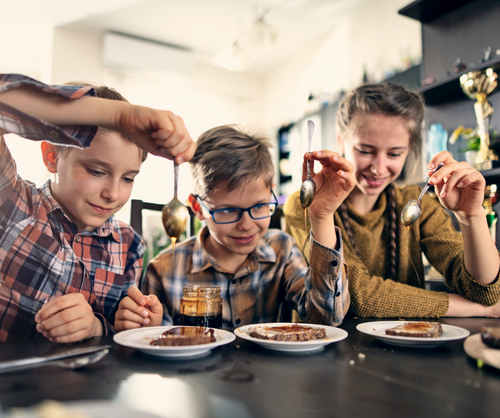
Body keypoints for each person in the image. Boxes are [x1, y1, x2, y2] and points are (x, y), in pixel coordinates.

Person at [0, 73, 196, 342]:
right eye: (96, 171)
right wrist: (117, 116)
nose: (113, 194)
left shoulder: (129, 245)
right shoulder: (12, 202)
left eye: (128, 178)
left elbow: (120, 337)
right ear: (51, 157)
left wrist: (119, 326)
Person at [284, 82, 500, 318]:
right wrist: (471, 309)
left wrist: (471, 216)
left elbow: (486, 293)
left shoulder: (419, 205)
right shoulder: (307, 204)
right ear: (341, 140)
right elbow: (355, 295)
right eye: (365, 151)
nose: (378, 168)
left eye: (394, 154)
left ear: (409, 150)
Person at [114, 124, 355, 330]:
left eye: (260, 206)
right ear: (198, 208)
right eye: (228, 210)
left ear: (271, 189)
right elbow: (156, 343)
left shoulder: (282, 249)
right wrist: (145, 326)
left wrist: (323, 216)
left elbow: (326, 317)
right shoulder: (164, 271)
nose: (247, 225)